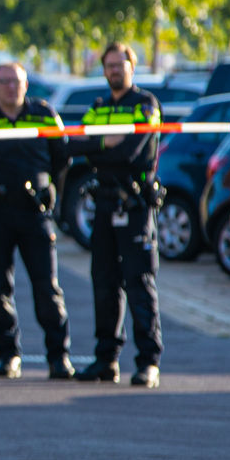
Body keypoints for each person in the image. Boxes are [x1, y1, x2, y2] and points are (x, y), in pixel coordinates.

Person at [0, 62, 75, 379]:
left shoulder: (43, 114)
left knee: (47, 289)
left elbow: (62, 157)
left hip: (34, 212)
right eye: (4, 82)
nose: (11, 87)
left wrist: (50, 189)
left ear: (26, 85)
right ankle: (8, 354)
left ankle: (58, 357)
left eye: (17, 81)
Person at [71, 41, 163, 387]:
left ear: (131, 67)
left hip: (135, 206)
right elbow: (75, 145)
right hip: (105, 205)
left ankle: (148, 362)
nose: (113, 70)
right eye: (108, 65)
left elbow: (131, 152)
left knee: (139, 284)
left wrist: (104, 147)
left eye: (119, 65)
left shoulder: (145, 104)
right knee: (104, 283)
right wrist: (102, 143)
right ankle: (106, 359)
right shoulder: (98, 108)